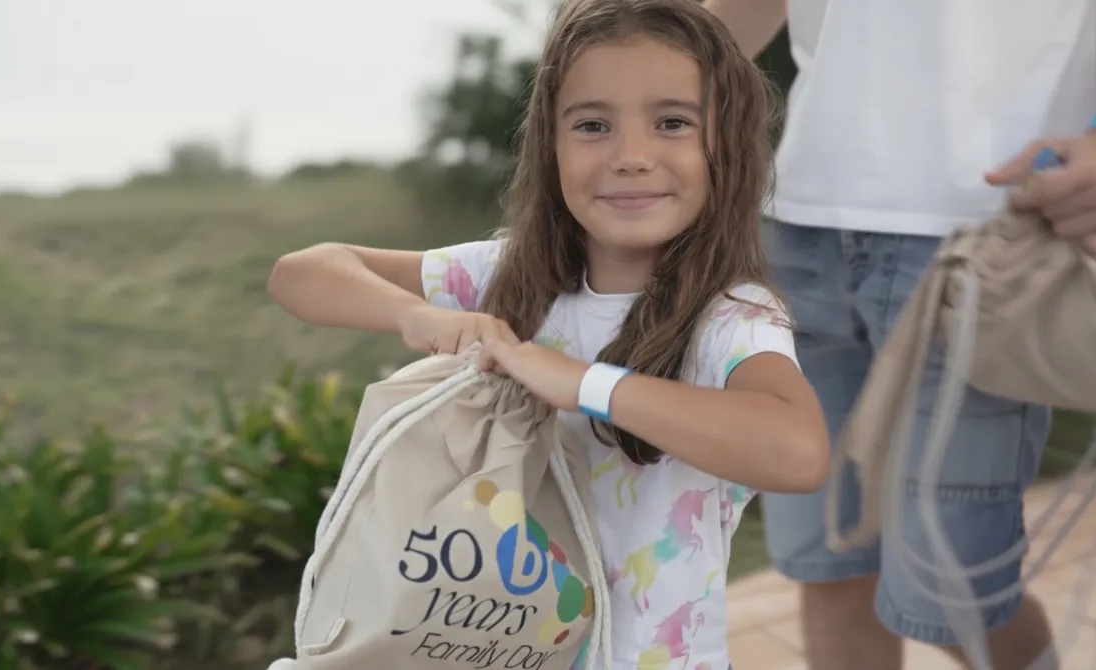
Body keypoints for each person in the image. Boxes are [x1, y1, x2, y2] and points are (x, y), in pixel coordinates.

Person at [267, 0, 831, 666]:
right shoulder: (506, 276)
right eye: (592, 125)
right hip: (486, 648)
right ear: (550, 146)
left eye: (672, 123)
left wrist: (583, 384)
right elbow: (301, 274)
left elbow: (798, 453)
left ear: (725, 145)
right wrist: (421, 317)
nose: (631, 157)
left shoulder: (731, 316)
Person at [703, 0, 1096, 668]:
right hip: (802, 218)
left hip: (986, 233)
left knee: (953, 600)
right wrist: (653, 82)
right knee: (832, 573)